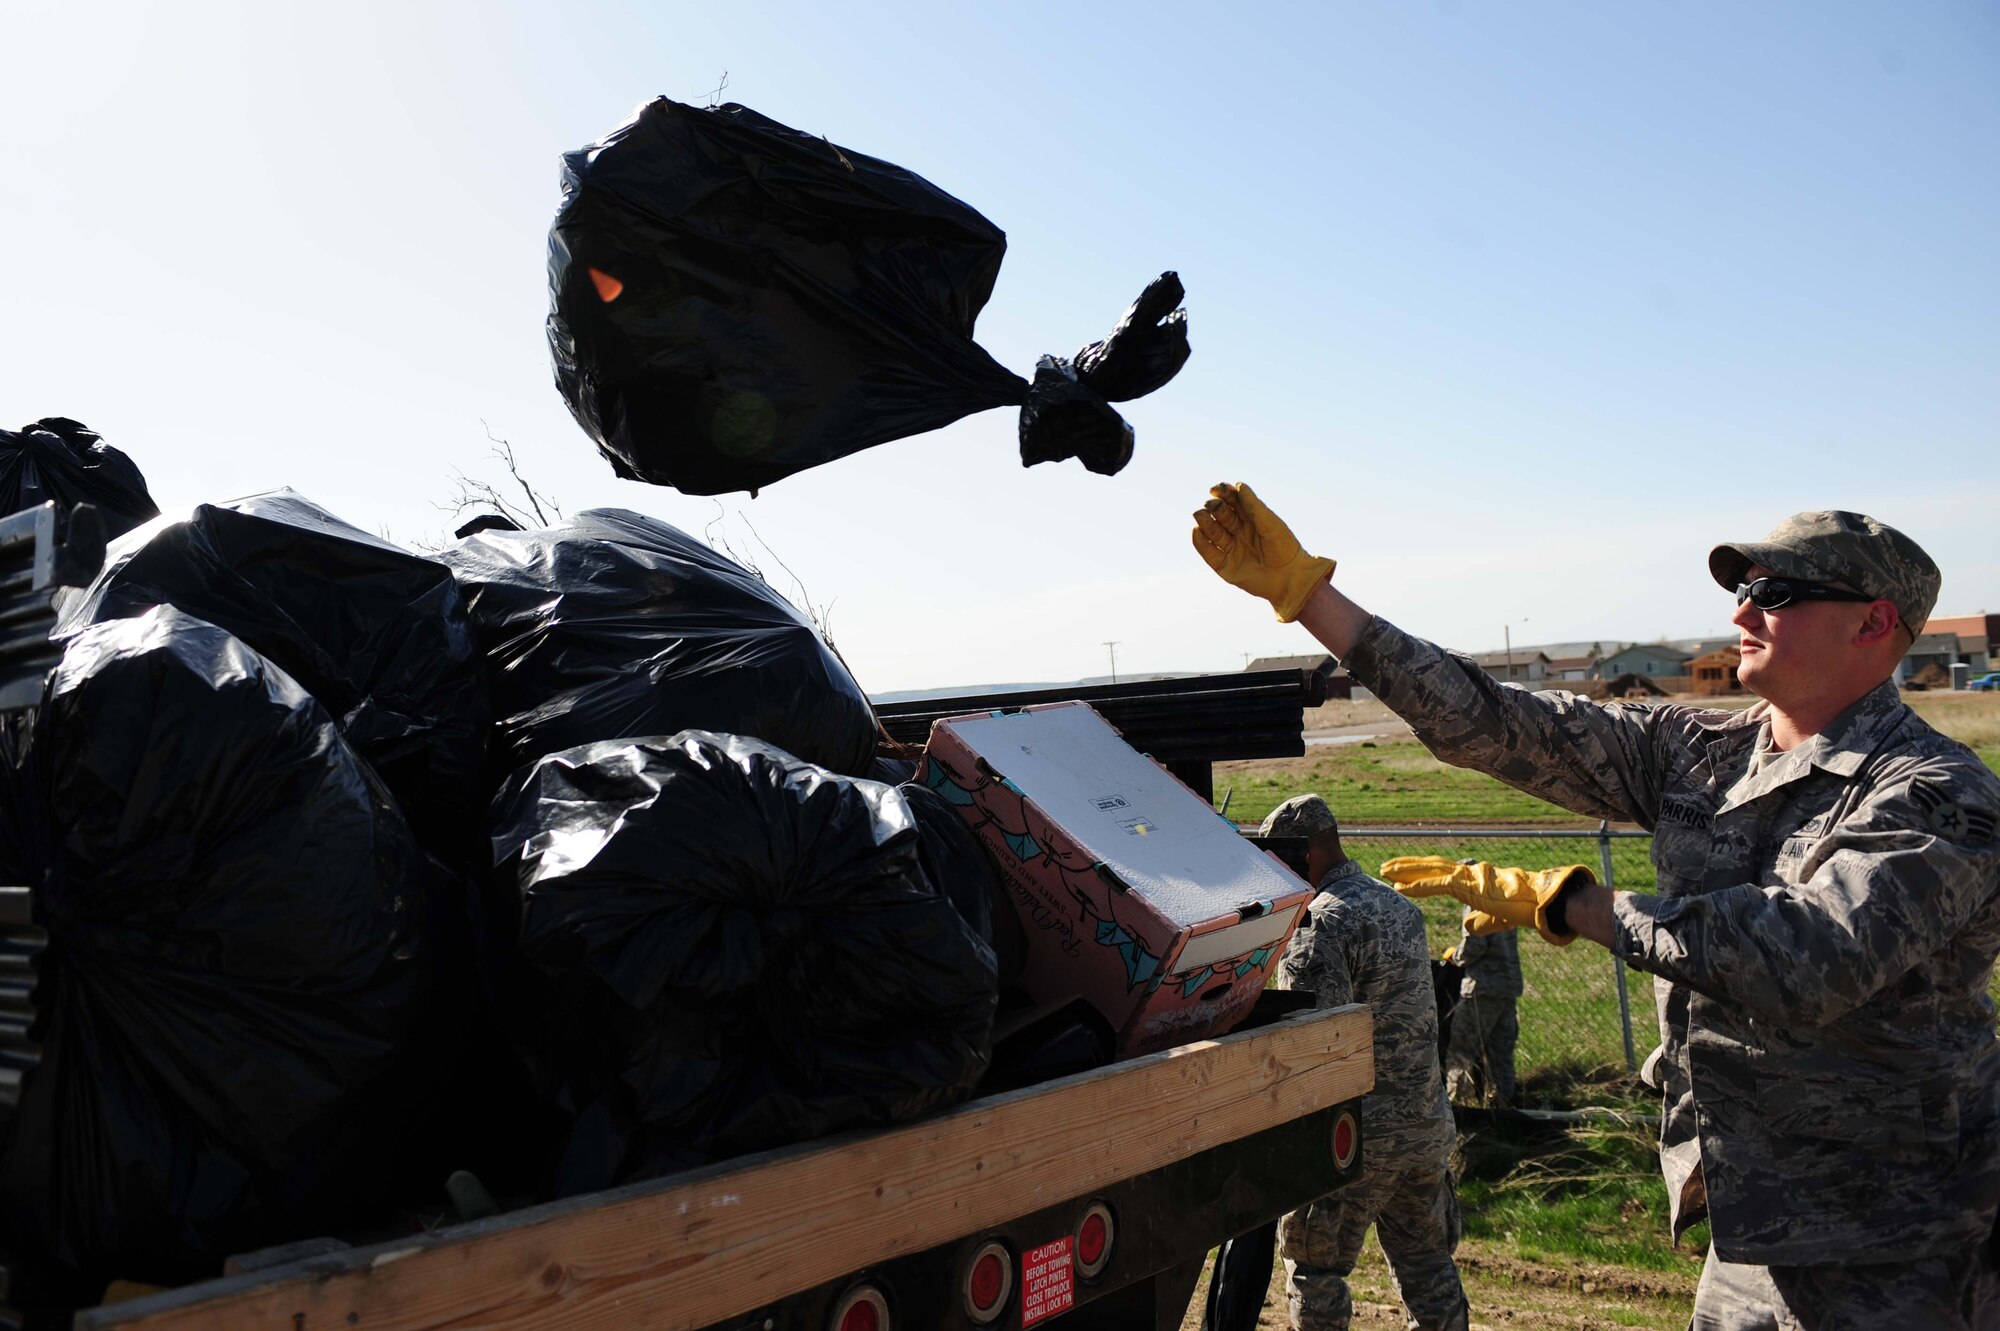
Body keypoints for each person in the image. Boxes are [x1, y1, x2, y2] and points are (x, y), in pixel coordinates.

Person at [1193, 487, 2000, 1330]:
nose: (1743, 609)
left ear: (1873, 624)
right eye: (1744, 588)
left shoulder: (1938, 795)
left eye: (1777, 593)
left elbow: (1810, 957)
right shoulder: (1702, 751)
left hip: (1900, 1243)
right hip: (1749, 1227)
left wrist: (1573, 902)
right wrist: (1312, 597)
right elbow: (1502, 722)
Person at [1248, 792, 1468, 1331]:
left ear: (1306, 854)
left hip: (1359, 1137)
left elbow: (1311, 1041)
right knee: (1428, 1267)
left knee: (1316, 1270)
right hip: (1425, 1126)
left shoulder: (1320, 923)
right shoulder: (1398, 905)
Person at [1443, 907, 1521, 1108]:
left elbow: (1475, 946)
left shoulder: (1475, 900)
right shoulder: (1502, 895)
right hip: (1507, 985)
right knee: (1500, 1052)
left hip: (1482, 987)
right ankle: (1503, 1106)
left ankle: (1461, 1108)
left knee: (1462, 1051)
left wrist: (1455, 957)